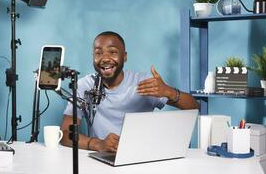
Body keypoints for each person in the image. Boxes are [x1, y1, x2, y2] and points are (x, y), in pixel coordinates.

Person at [61, 31, 199, 152]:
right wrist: (98, 144)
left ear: (124, 56)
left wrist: (168, 91)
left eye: (113, 52)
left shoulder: (144, 82)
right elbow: (65, 133)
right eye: (98, 53)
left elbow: (194, 107)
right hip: (101, 158)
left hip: (142, 157)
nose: (105, 58)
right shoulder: (84, 85)